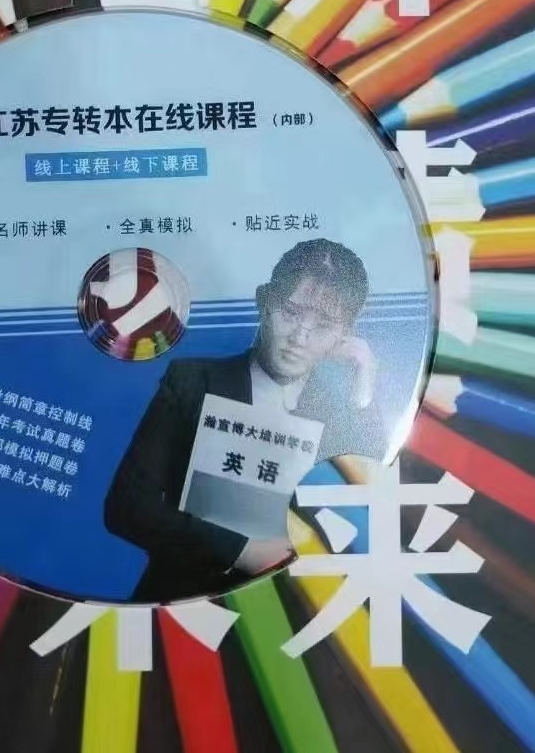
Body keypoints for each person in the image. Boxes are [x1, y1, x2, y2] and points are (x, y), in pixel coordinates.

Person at [104, 238, 385, 603]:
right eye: (291, 313)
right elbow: (127, 506)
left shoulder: (340, 418)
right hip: (178, 604)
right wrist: (241, 551)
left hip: (289, 615)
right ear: (264, 301)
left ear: (344, 336)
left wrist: (364, 389)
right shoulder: (192, 381)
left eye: (323, 326)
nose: (300, 337)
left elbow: (371, 520)